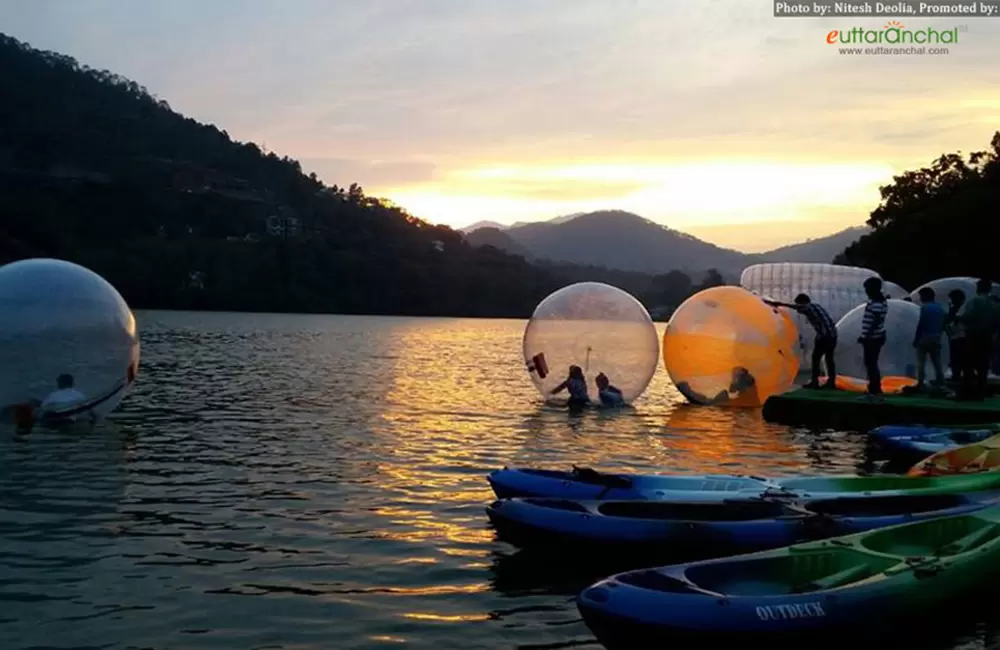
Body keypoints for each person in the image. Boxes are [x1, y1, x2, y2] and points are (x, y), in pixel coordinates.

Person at [765, 294, 837, 389]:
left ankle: (815, 382)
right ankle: (831, 382)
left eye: (798, 303)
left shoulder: (809, 307)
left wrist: (779, 304)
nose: (798, 310)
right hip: (832, 335)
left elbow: (800, 307)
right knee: (829, 359)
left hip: (825, 336)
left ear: (803, 302)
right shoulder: (817, 306)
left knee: (816, 359)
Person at [956, 279, 997, 400]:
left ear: (978, 288)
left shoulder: (974, 301)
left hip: (973, 335)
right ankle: (980, 392)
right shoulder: (994, 304)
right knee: (983, 366)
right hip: (988, 337)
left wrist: (959, 318)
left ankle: (967, 392)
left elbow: (968, 317)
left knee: (968, 364)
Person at [858, 277, 888, 400]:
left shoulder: (876, 303)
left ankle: (874, 391)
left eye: (867, 288)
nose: (866, 291)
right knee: (871, 364)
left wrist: (867, 336)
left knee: (871, 364)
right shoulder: (879, 301)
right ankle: (874, 389)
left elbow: (875, 320)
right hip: (875, 337)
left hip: (873, 339)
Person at [912, 286, 946, 390]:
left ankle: (920, 382)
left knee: (921, 362)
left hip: (924, 338)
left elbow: (921, 324)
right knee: (937, 361)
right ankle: (940, 381)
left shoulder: (924, 308)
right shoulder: (940, 308)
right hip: (936, 338)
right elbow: (944, 323)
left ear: (923, 296)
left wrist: (916, 339)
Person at [945, 289, 967, 384]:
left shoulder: (964, 309)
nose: (951, 301)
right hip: (955, 337)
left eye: (952, 299)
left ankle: (962, 381)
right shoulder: (953, 309)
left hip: (962, 338)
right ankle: (957, 379)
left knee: (961, 360)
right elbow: (948, 322)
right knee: (955, 360)